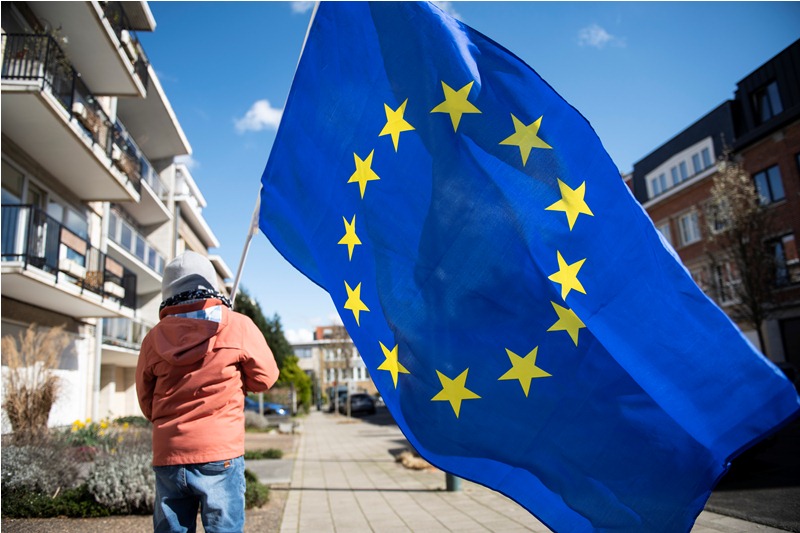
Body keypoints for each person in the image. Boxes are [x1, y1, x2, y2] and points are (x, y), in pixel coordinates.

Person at [136, 251, 279, 532]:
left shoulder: (153, 338)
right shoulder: (237, 326)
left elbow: (146, 401)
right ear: (211, 284)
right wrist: (239, 380)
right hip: (220, 450)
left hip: (170, 453)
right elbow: (266, 378)